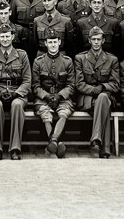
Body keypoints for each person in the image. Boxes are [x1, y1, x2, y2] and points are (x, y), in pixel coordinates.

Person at [0, 23, 32, 161]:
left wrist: (16, 93)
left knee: (17, 105)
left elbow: (27, 80)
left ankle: (15, 148)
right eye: (2, 36)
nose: (5, 39)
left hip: (17, 92)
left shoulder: (22, 55)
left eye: (7, 36)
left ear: (13, 37)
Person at [74, 26, 120, 158]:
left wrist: (103, 87)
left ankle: (96, 138)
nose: (96, 42)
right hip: (87, 98)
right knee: (103, 102)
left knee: (103, 98)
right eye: (93, 39)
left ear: (103, 41)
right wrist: (95, 90)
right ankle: (104, 149)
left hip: (104, 96)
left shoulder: (112, 59)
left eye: (98, 39)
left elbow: (115, 84)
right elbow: (79, 84)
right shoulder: (80, 58)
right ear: (89, 40)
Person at [32, 28, 75, 158]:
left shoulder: (67, 61)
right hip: (44, 97)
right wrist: (46, 96)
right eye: (50, 42)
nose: (52, 45)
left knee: (64, 112)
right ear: (45, 43)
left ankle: (53, 140)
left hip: (62, 97)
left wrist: (60, 95)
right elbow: (35, 85)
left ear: (59, 42)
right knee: (45, 114)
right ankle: (56, 143)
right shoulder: (38, 62)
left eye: (55, 42)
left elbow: (71, 85)